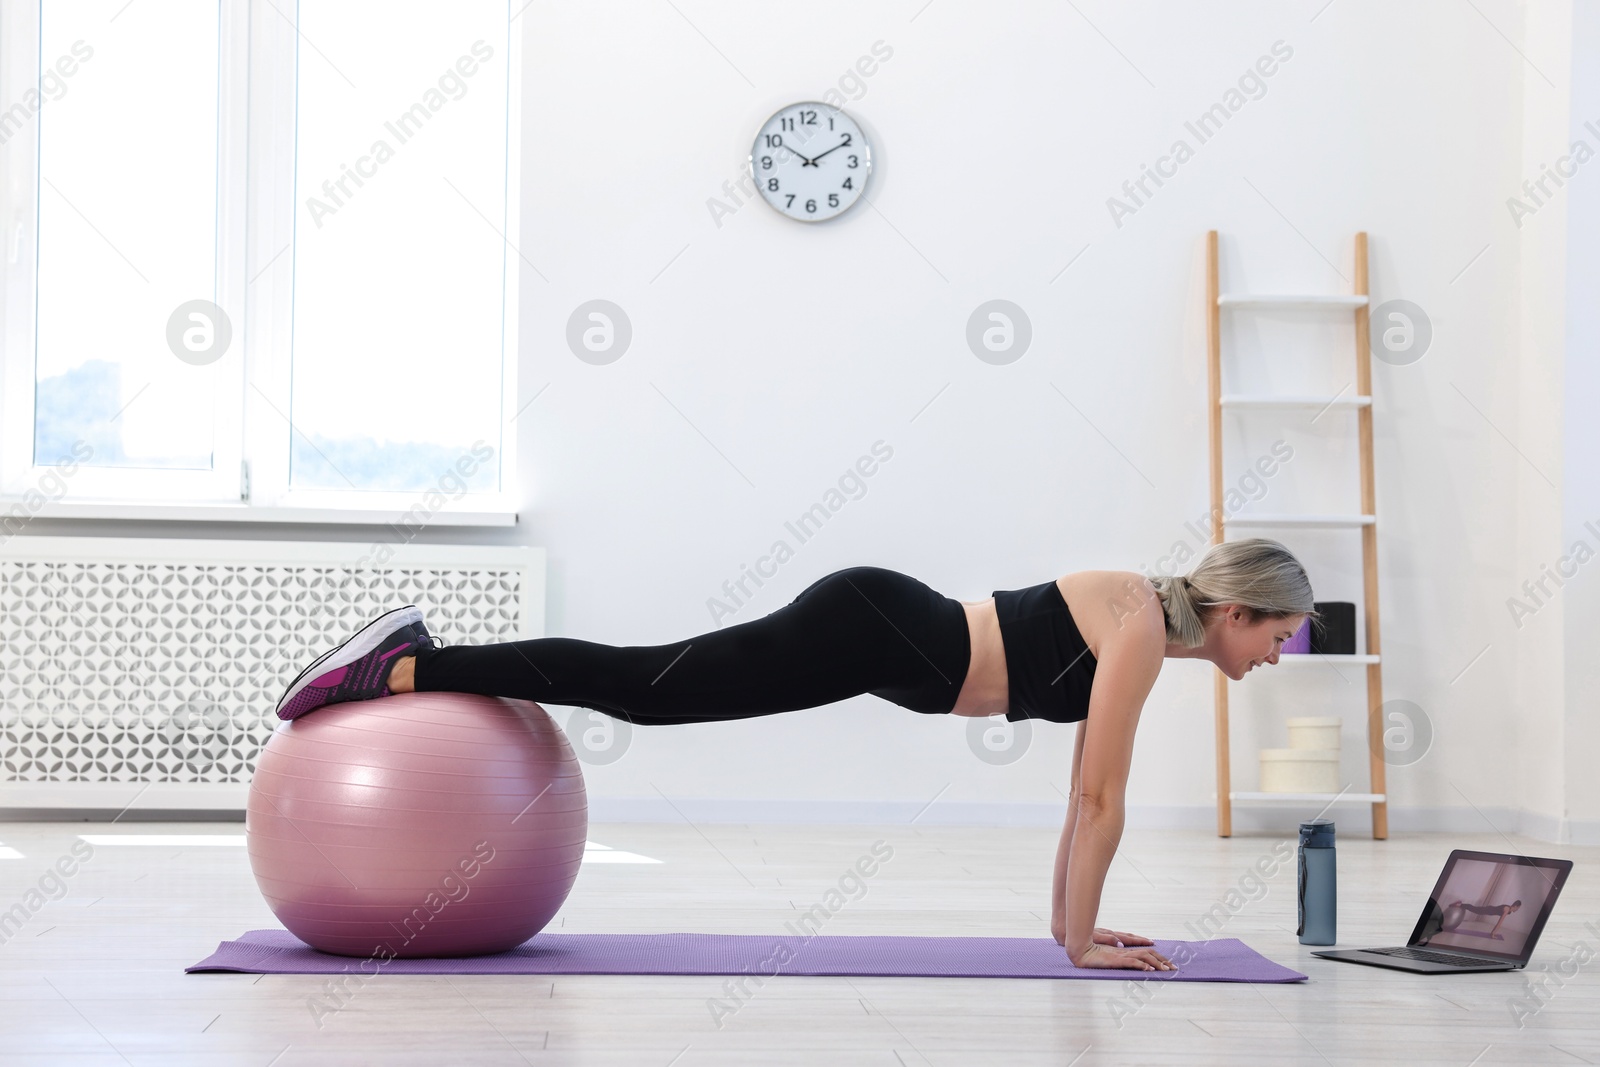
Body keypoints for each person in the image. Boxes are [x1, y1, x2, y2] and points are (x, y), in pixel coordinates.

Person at [274, 537, 1315, 974]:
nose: (1279, 654)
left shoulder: (1144, 629)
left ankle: (414, 664)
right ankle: (405, 665)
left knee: (648, 688)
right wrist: (1079, 939)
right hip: (874, 625)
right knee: (648, 687)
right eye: (1280, 633)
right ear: (1234, 610)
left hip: (882, 628)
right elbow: (1097, 797)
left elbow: (1084, 799)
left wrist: (1066, 929)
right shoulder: (1137, 627)